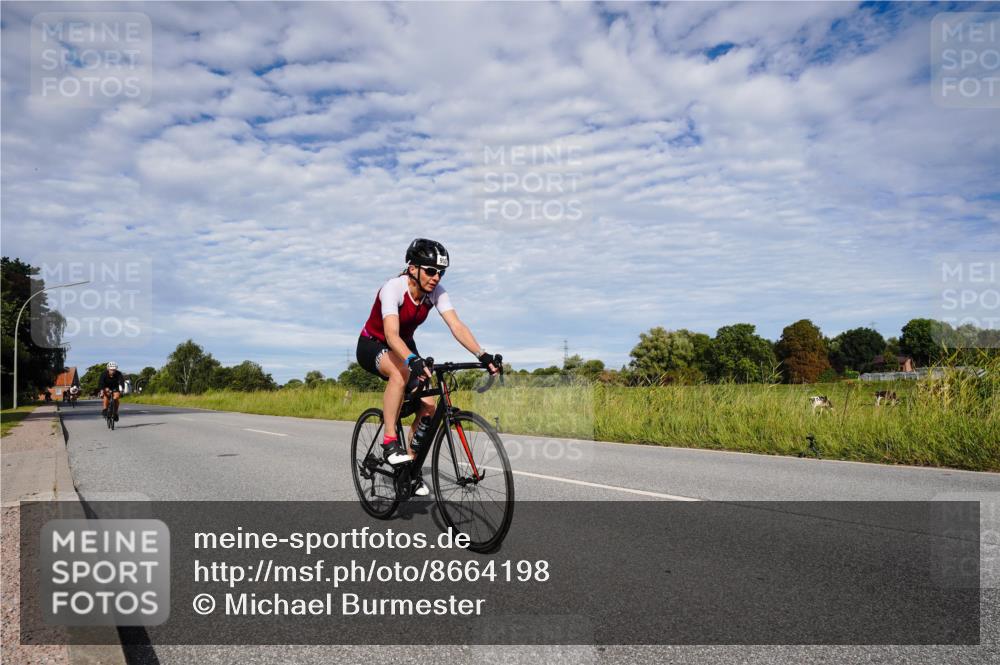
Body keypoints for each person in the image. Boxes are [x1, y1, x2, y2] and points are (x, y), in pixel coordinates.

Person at [356, 238, 500, 496]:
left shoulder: (436, 292)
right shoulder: (393, 288)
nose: (436, 277)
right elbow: (391, 334)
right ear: (413, 268)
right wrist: (412, 360)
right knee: (400, 374)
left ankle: (408, 470)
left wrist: (483, 354)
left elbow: (456, 325)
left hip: (405, 344)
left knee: (430, 405)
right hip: (373, 343)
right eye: (431, 270)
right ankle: (389, 441)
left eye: (441, 272)